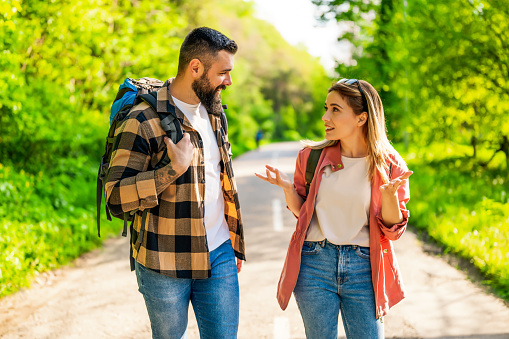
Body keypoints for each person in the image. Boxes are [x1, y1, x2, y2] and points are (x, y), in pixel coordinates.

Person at [105, 27, 245, 339]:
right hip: (163, 260)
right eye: (223, 73)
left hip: (219, 252)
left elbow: (219, 182)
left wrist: (233, 242)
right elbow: (115, 197)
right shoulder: (142, 119)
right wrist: (172, 169)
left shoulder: (215, 113)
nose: (229, 82)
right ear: (195, 68)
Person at [255, 78, 412, 339]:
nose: (325, 116)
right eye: (326, 107)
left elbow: (393, 231)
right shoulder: (312, 157)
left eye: (335, 110)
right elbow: (302, 214)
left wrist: (389, 196)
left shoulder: (389, 163)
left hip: (364, 267)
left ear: (361, 118)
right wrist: (287, 188)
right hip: (315, 263)